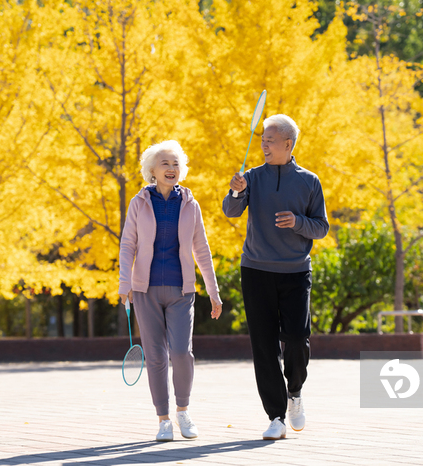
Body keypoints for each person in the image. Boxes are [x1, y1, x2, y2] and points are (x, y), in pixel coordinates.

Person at [222, 114, 329, 440]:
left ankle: (294, 390)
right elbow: (230, 210)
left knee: (296, 338)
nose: (264, 145)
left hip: (295, 272)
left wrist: (297, 221)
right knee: (264, 345)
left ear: (288, 144)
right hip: (256, 270)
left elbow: (321, 227)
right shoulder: (252, 177)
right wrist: (237, 193)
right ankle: (276, 416)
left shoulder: (309, 181)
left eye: (270, 140)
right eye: (262, 141)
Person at [119, 140, 223, 442]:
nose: (172, 168)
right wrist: (124, 285)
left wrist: (213, 291)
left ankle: (183, 410)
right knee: (155, 356)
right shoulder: (139, 203)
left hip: (181, 290)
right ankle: (163, 419)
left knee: (180, 352)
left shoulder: (190, 204)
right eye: (165, 163)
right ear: (152, 170)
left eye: (176, 163)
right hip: (144, 290)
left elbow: (201, 249)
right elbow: (128, 245)